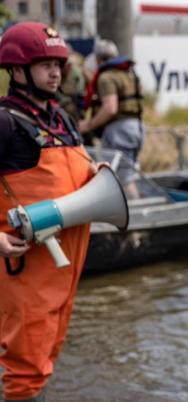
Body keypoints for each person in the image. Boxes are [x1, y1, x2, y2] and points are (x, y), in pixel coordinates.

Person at [0, 21, 101, 402]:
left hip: (63, 264)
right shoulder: (6, 122)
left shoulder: (62, 120)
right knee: (23, 369)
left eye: (58, 63)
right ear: (16, 69)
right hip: (23, 266)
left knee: (45, 356)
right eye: (44, 64)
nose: (56, 72)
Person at [78, 38, 144, 199]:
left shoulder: (106, 77)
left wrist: (88, 125)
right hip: (137, 127)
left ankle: (135, 213)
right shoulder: (128, 72)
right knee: (129, 173)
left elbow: (110, 108)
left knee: (122, 178)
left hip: (119, 131)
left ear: (98, 58)